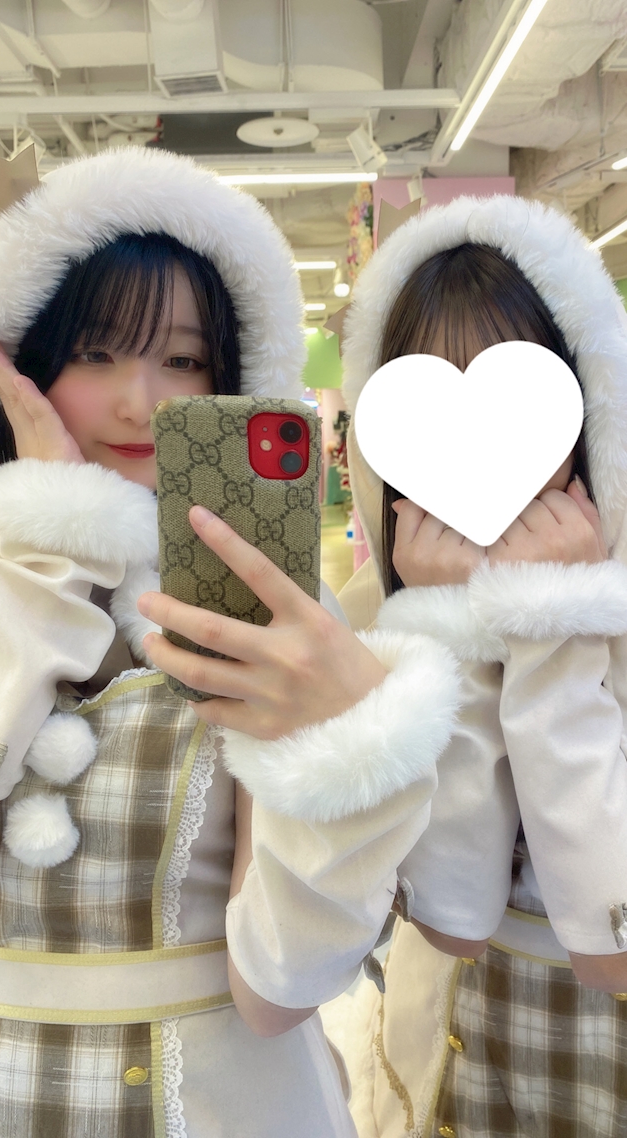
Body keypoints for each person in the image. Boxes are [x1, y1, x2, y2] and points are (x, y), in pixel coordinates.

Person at [0, 146, 460, 1138]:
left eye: (184, 360)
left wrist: (343, 760)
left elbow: (278, 988)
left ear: (232, 377)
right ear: (22, 363)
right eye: (95, 353)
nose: (140, 402)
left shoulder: (268, 607)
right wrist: (44, 551)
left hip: (229, 1100)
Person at [328, 195, 627, 1137]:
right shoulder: (369, 620)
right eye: (431, 415)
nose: (476, 458)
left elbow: (613, 946)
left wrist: (557, 627)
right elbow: (450, 918)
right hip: (450, 1057)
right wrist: (448, 629)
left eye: (520, 411)